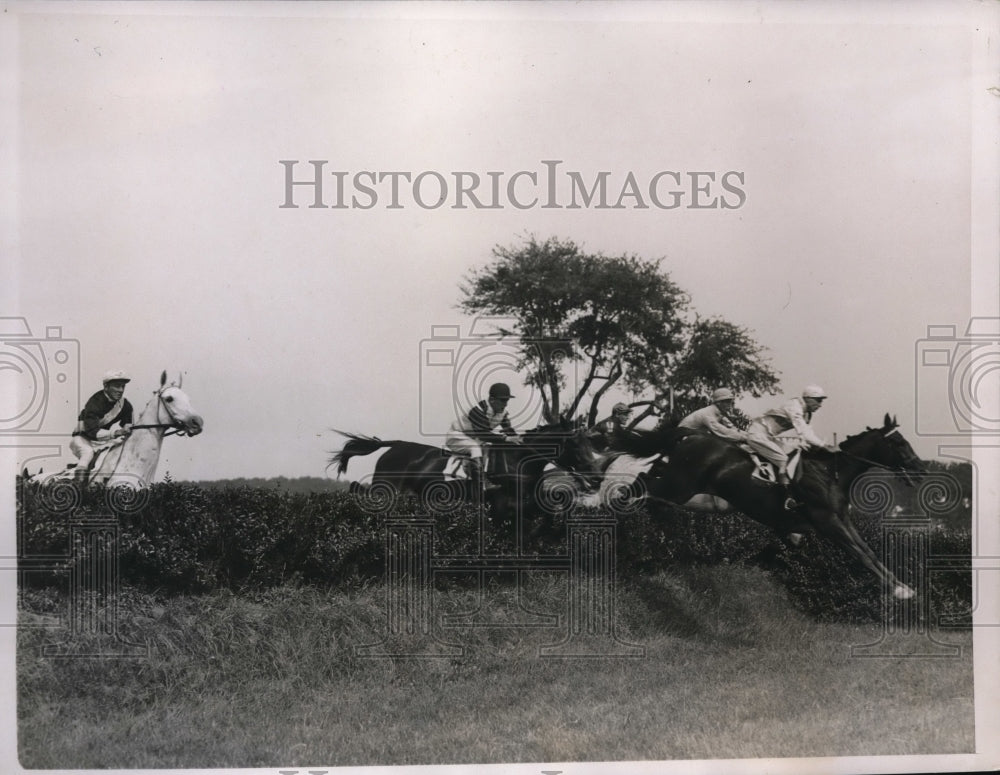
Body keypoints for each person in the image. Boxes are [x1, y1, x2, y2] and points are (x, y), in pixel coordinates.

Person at [745, 384, 837, 507]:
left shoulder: (807, 413)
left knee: (796, 454)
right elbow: (803, 431)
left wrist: (810, 445)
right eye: (818, 400)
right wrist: (824, 445)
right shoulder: (794, 407)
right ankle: (786, 498)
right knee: (784, 460)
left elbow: (806, 433)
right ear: (808, 398)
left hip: (769, 436)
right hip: (757, 434)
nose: (820, 405)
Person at [445, 382, 522, 492]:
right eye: (502, 400)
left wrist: (520, 439)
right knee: (475, 447)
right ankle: (482, 483)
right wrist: (505, 438)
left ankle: (487, 475)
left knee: (487, 446)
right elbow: (483, 434)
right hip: (456, 436)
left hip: (473, 438)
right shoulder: (478, 410)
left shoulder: (503, 413)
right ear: (491, 399)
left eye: (507, 400)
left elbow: (509, 431)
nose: (505, 404)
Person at [69, 370, 134, 481]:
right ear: (106, 386)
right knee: (87, 453)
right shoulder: (94, 402)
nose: (121, 390)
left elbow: (128, 426)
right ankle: (78, 487)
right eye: (117, 386)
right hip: (82, 438)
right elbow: (92, 431)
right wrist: (116, 433)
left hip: (101, 440)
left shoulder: (125, 405)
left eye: (123, 386)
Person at [678, 388, 747, 442]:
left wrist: (749, 435)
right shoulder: (707, 414)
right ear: (719, 403)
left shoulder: (720, 413)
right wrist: (745, 438)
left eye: (730, 402)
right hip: (683, 437)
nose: (730, 405)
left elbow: (731, 428)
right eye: (727, 402)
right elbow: (723, 432)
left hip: (695, 435)